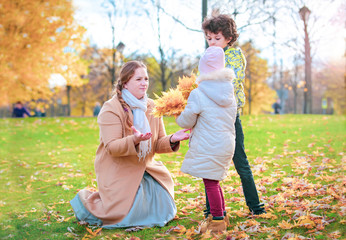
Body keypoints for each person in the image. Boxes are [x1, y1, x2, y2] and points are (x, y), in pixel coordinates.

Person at [70, 61, 190, 229]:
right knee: (124, 216)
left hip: (146, 167)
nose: (144, 83)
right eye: (139, 79)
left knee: (164, 208)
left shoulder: (152, 106)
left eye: (146, 79)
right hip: (120, 168)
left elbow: (156, 143)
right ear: (125, 83)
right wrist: (134, 140)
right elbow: (112, 147)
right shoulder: (111, 108)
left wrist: (172, 139)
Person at [202, 14, 266, 216]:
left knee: (241, 162)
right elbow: (200, 82)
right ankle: (211, 209)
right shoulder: (207, 56)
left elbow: (231, 80)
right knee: (211, 163)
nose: (212, 42)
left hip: (230, 117)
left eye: (217, 38)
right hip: (211, 116)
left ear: (228, 38)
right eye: (209, 38)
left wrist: (209, 80)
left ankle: (256, 207)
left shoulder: (234, 55)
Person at [176, 46, 237, 233]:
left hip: (210, 144)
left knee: (210, 182)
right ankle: (222, 215)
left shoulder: (198, 93)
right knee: (215, 180)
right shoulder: (229, 93)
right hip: (226, 143)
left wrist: (178, 114)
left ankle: (217, 222)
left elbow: (187, 120)